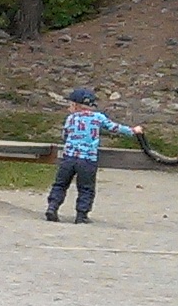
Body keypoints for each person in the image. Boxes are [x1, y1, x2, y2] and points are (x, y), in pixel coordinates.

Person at [47, 84, 141, 224]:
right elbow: (114, 127)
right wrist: (132, 131)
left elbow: (65, 135)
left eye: (70, 105)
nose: (69, 108)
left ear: (76, 106)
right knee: (86, 188)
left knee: (60, 184)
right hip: (87, 159)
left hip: (69, 158)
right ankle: (81, 215)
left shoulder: (71, 119)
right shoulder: (98, 117)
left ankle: (52, 207)